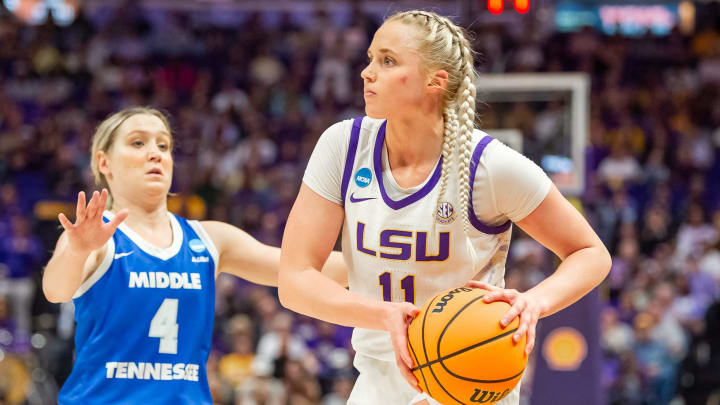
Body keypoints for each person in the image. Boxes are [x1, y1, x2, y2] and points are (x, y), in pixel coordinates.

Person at [278, 10, 611, 405]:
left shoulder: (489, 166)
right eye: (370, 59)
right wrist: (385, 316)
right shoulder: (342, 146)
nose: (367, 72)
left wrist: (534, 303)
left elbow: (591, 254)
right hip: (378, 374)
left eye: (387, 61)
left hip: (470, 372)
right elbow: (295, 280)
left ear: (435, 81)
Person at [41, 107, 347, 404]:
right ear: (104, 162)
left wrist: (385, 263)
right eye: (138, 142)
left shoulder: (209, 238)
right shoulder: (96, 235)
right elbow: (56, 290)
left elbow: (300, 267)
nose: (155, 153)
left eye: (164, 145)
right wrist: (78, 250)